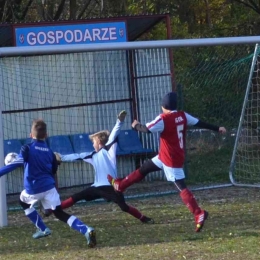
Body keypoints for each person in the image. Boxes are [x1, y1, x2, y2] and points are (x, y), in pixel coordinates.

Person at [108, 92, 227, 232]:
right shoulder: (182, 116)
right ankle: (121, 185)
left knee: (180, 186)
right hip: (169, 155)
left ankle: (198, 213)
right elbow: (199, 122)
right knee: (145, 168)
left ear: (163, 106)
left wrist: (135, 125)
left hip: (170, 159)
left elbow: (146, 129)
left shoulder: (163, 118)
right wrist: (217, 128)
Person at [0, 119, 96, 247]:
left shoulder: (27, 148)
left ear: (30, 135)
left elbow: (16, 164)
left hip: (33, 190)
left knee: (23, 202)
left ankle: (42, 228)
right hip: (49, 188)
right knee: (59, 213)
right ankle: (86, 230)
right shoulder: (50, 152)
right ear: (46, 135)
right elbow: (53, 170)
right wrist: (56, 162)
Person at [51, 110, 154, 224]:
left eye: (93, 142)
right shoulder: (92, 155)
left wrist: (119, 121)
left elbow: (114, 133)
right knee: (76, 197)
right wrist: (60, 157)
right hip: (96, 187)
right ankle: (55, 209)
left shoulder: (108, 150)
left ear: (99, 141)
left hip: (111, 187)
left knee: (124, 207)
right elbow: (77, 156)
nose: (92, 144)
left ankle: (143, 218)